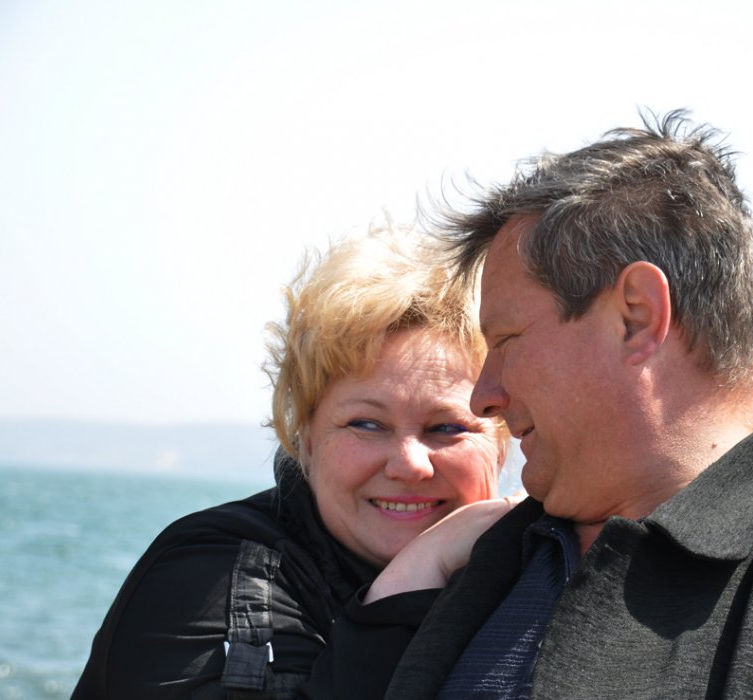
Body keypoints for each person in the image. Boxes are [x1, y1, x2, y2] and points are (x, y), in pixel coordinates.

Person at [335, 110, 753, 698]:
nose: (484, 396)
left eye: (508, 341)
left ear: (637, 316)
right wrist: (408, 581)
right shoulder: (483, 562)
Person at [72, 225, 515, 698]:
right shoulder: (207, 575)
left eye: (447, 427)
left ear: (502, 442)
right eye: (366, 424)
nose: (409, 465)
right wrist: (413, 579)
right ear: (304, 439)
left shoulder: (538, 568)